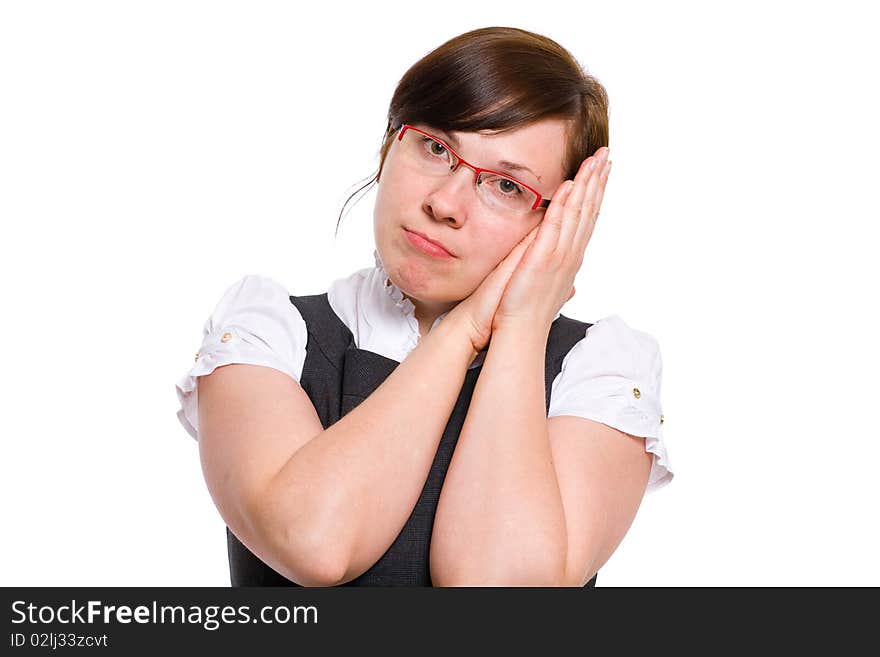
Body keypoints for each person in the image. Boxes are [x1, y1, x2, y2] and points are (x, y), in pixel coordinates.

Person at [175, 26, 673, 587]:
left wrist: (523, 327)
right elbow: (317, 543)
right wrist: (461, 332)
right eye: (436, 148)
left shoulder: (600, 369)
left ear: (558, 221)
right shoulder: (269, 332)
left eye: (507, 187)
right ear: (389, 143)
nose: (444, 204)